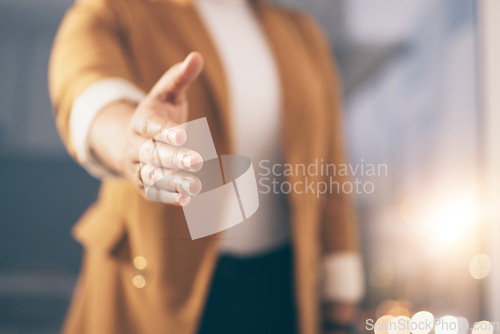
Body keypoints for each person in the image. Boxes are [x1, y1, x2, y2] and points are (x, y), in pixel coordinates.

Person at [49, 0, 364, 333]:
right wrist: (130, 140)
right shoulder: (116, 10)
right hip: (155, 278)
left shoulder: (302, 34)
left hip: (282, 282)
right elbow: (87, 87)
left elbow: (330, 164)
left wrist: (340, 286)